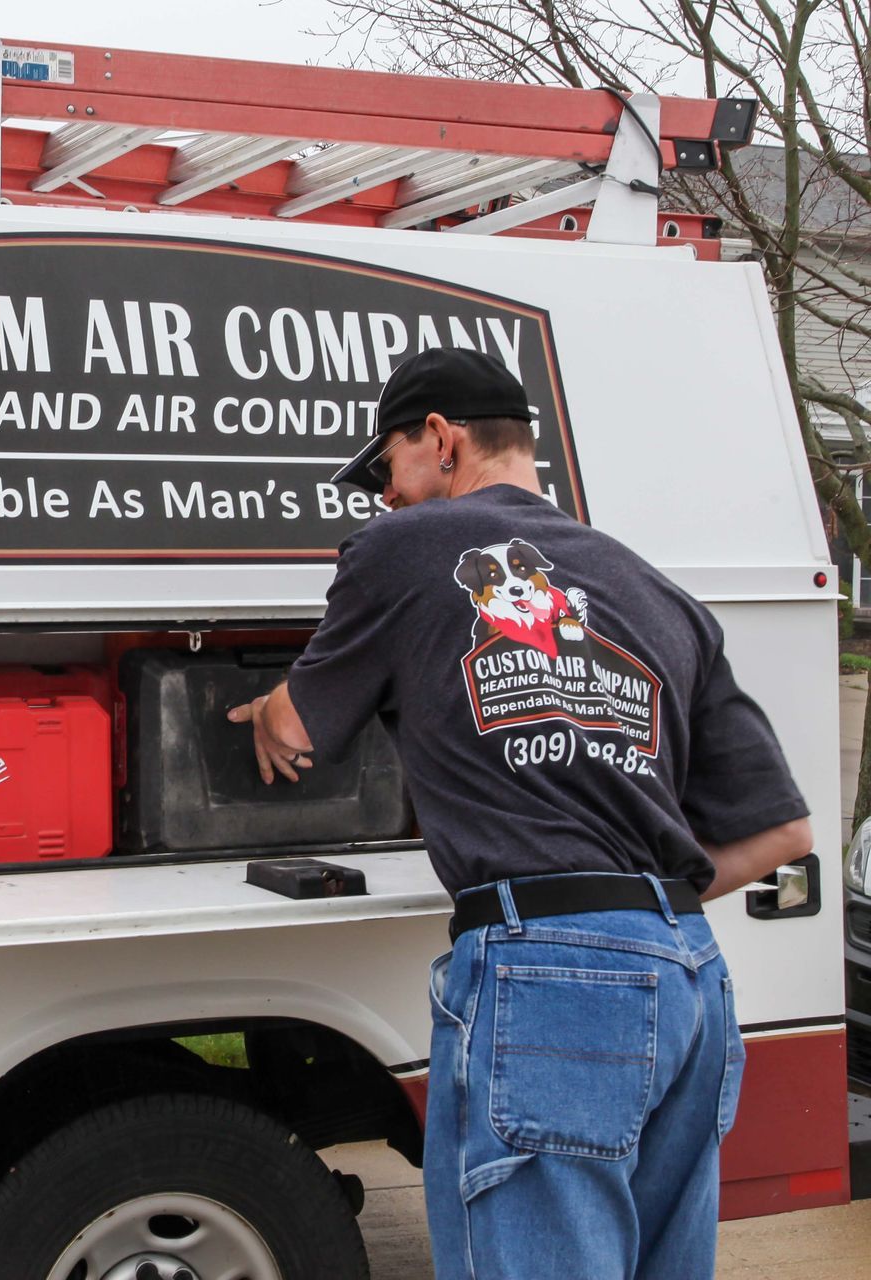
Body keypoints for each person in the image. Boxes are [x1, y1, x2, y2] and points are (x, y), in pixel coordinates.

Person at [226, 347, 812, 1280]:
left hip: (546, 973)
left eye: (385, 469)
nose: (384, 498)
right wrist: (631, 908)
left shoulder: (402, 550)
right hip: (690, 975)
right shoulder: (661, 594)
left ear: (440, 440)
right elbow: (779, 835)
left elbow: (300, 729)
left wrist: (266, 710)